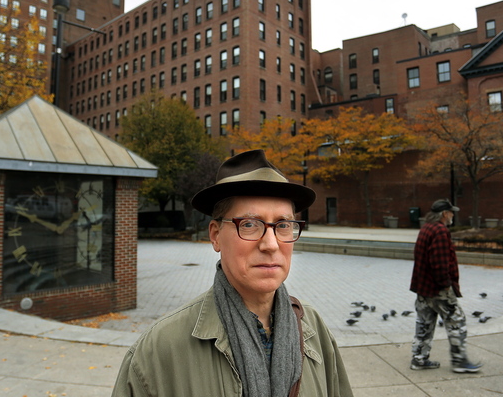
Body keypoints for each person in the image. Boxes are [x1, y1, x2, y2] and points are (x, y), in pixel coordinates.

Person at [112, 149, 353, 396]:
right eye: (249, 224)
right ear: (215, 235)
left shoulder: (315, 331)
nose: (270, 244)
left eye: (283, 225)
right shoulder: (161, 349)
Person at [409, 199, 482, 373]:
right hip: (437, 289)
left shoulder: (426, 228)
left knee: (424, 324)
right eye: (451, 212)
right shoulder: (440, 231)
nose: (453, 215)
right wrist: (446, 286)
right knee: (457, 321)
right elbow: (439, 264)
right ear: (444, 214)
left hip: (422, 288)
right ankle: (459, 361)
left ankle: (418, 359)